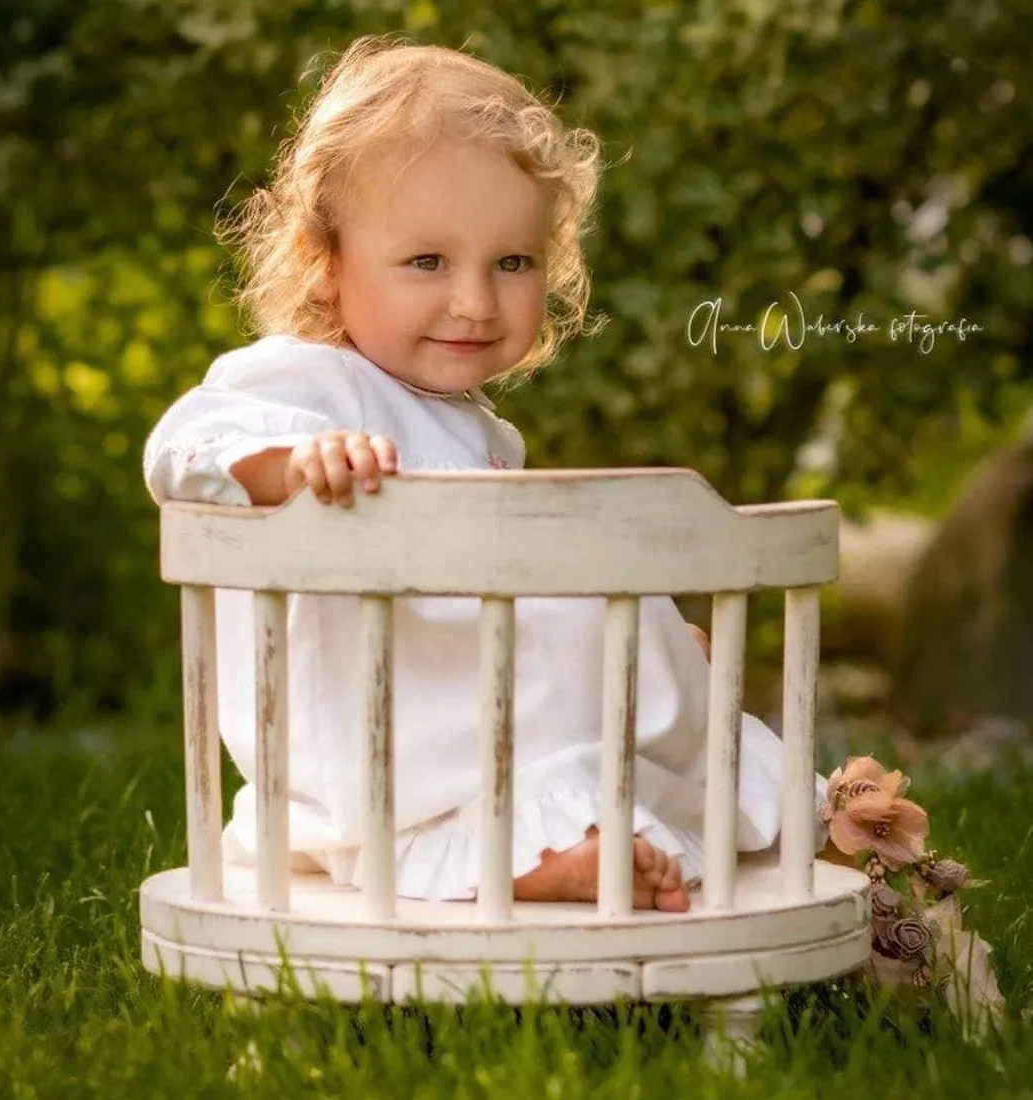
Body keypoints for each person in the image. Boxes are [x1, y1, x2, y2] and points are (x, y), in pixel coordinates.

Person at [145, 36, 810, 913]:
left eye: (513, 263)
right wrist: (289, 465)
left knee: (622, 618)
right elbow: (184, 445)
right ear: (325, 259)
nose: (475, 302)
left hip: (452, 715)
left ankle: (571, 828)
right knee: (603, 624)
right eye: (428, 262)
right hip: (368, 732)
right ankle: (534, 843)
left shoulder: (483, 434)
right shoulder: (311, 381)